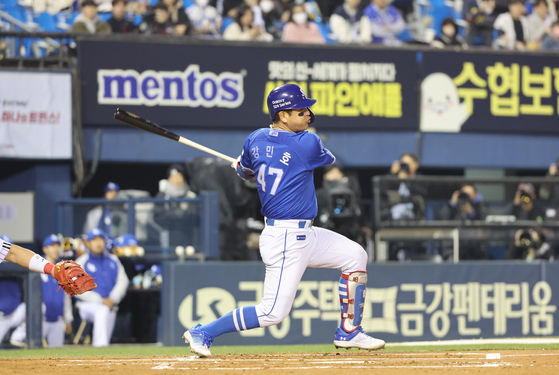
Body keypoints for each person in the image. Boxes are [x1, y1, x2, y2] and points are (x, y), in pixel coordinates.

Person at [182, 84, 385, 357]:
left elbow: (245, 171)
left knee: (355, 255)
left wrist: (244, 168)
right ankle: (203, 332)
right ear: (283, 116)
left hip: (306, 233)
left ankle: (349, 331)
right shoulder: (308, 143)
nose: (309, 115)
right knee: (272, 312)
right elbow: (317, 159)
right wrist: (256, 168)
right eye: (301, 111)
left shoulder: (254, 139)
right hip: (286, 237)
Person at [0, 235, 95, 346]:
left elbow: (13, 253)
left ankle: (20, 336)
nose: (55, 249)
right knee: (35, 307)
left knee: (55, 355)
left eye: (57, 246)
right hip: (38, 318)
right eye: (52, 246)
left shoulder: (57, 267)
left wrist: (52, 269)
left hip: (56, 319)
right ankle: (20, 336)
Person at [75, 229, 129, 347]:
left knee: (105, 319)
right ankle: (99, 347)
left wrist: (113, 298)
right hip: (87, 305)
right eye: (94, 240)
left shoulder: (113, 260)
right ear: (88, 243)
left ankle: (100, 355)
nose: (98, 243)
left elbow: (123, 281)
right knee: (102, 311)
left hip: (110, 304)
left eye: (100, 239)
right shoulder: (81, 262)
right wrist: (100, 300)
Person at [316, 164, 366, 245]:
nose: (335, 175)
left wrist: (364, 224)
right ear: (325, 176)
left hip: (349, 228)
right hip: (327, 228)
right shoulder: (319, 194)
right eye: (332, 173)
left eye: (338, 173)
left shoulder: (350, 192)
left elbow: (359, 207)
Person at [383, 151, 426, 221]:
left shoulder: (420, 178)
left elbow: (421, 195)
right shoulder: (395, 177)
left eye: (407, 164)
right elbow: (384, 192)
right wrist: (392, 174)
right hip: (393, 220)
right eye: (403, 164)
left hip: (413, 219)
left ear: (416, 165)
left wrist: (407, 180)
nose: (405, 167)